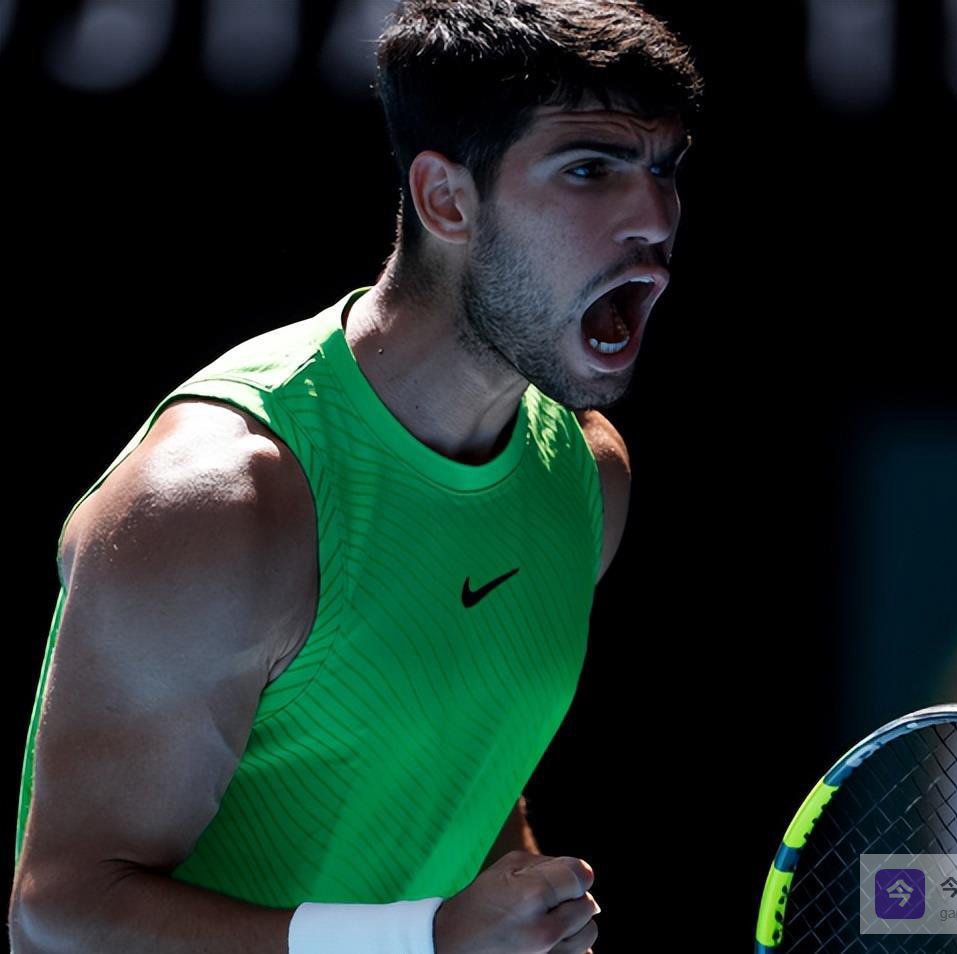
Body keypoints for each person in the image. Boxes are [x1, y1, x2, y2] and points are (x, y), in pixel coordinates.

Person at [8, 0, 702, 951]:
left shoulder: (585, 479)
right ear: (447, 201)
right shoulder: (220, 504)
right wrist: (423, 939)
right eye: (591, 169)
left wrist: (514, 915)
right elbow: (62, 916)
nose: (655, 219)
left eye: (664, 170)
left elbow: (440, 763)